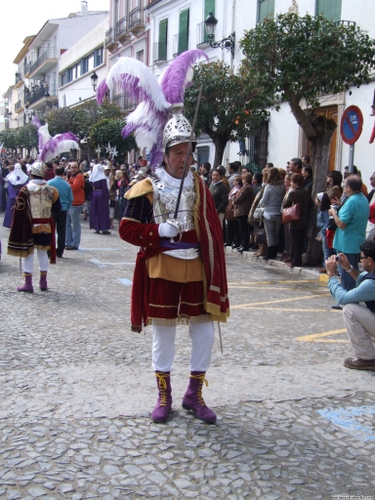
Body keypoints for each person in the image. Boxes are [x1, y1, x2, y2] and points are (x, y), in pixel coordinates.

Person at [119, 111, 229, 424]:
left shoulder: (200, 185)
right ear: (166, 154)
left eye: (188, 152)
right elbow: (126, 229)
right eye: (178, 152)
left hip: (196, 266)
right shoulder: (147, 186)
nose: (185, 158)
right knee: (163, 333)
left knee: (204, 330)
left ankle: (194, 394)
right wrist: (157, 232)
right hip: (162, 266)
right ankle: (163, 395)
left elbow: (210, 229)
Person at [7, 161, 61, 292]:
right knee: (42, 253)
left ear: (31, 174)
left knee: (28, 254)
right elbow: (58, 209)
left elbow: (20, 210)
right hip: (46, 226)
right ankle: (43, 282)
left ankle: (28, 283)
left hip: (29, 226)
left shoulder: (25, 190)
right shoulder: (52, 190)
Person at [326, 241, 375, 371]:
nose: (360, 261)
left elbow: (343, 298)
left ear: (369, 260)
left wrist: (331, 275)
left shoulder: (372, 283)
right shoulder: (371, 278)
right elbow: (362, 279)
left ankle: (367, 358)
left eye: (362, 258)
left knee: (350, 309)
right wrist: (347, 267)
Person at [328, 175, 369, 292]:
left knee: (346, 273)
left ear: (349, 187)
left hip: (347, 243)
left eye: (344, 186)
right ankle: (351, 297)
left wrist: (333, 212)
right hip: (357, 240)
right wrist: (341, 206)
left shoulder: (351, 201)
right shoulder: (363, 199)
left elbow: (341, 223)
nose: (343, 188)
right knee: (353, 270)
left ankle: (346, 299)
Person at [283, 173, 314, 267]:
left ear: (295, 183)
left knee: (294, 241)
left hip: (295, 219)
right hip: (304, 219)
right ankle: (297, 260)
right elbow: (311, 204)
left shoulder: (293, 192)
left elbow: (285, 205)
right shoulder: (306, 192)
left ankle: (294, 261)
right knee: (300, 241)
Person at [259, 167, 285, 260]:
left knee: (270, 235)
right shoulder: (282, 187)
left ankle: (270, 253)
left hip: (268, 212)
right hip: (278, 212)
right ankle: (275, 251)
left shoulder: (268, 187)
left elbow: (264, 200)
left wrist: (259, 208)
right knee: (276, 233)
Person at [47, 165, 73, 258]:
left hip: (52, 209)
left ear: (54, 172)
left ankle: (50, 250)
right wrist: (67, 206)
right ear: (63, 173)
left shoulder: (49, 183)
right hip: (63, 209)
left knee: (50, 230)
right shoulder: (67, 184)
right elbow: (70, 198)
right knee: (61, 231)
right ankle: (60, 251)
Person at [233, 172, 254, 253]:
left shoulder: (247, 188)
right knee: (242, 228)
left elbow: (240, 197)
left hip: (244, 210)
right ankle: (243, 244)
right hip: (241, 210)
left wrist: (234, 200)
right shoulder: (245, 187)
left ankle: (245, 244)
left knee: (244, 228)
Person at [65, 162, 85, 250]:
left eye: (75, 167)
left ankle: (75, 243)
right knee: (67, 224)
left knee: (75, 224)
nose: (73, 169)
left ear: (78, 168)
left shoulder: (79, 176)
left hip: (76, 202)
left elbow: (74, 187)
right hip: (70, 203)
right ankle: (68, 242)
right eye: (72, 167)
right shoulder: (72, 176)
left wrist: (67, 183)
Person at [3, 163, 28, 228]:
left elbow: (26, 186)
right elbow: (10, 187)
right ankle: (11, 223)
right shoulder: (12, 177)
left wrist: (15, 196)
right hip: (19, 194)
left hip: (19, 194)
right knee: (12, 210)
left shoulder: (24, 177)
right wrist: (14, 196)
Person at [89, 164, 111, 234]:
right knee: (103, 211)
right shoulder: (103, 178)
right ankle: (104, 228)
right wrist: (107, 197)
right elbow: (104, 188)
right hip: (101, 195)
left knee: (95, 211)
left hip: (95, 194)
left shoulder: (94, 178)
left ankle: (97, 227)